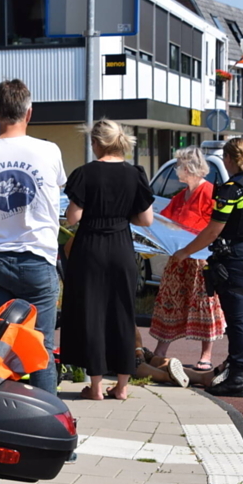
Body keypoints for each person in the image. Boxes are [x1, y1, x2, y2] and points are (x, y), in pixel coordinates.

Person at [0, 79, 66, 395]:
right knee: (42, 349)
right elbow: (55, 195)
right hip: (38, 259)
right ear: (29, 113)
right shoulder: (50, 150)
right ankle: (48, 428)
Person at [58, 119, 154, 401]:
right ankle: (122, 387)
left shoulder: (85, 173)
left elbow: (73, 217)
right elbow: (146, 219)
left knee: (92, 313)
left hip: (90, 248)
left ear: (96, 143)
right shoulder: (135, 174)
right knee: (122, 312)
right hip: (122, 246)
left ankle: (96, 387)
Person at [171, 138, 243, 397]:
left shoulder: (232, 189)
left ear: (228, 159)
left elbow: (213, 229)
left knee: (238, 319)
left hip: (236, 257)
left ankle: (236, 377)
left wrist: (185, 252)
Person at [149, 146, 226, 371]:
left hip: (201, 259)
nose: (175, 170)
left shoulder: (209, 192)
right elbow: (164, 220)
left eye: (178, 166)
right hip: (179, 259)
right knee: (169, 303)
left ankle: (206, 354)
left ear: (189, 167)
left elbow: (214, 227)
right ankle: (161, 350)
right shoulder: (182, 195)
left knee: (203, 305)